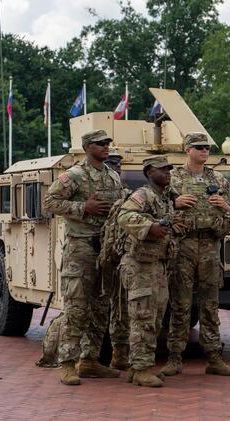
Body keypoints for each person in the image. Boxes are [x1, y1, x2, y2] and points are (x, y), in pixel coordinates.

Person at [43, 129, 124, 386]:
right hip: (80, 250)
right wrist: (82, 207)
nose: (106, 147)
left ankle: (90, 360)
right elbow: (50, 202)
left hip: (105, 250)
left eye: (107, 143)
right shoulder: (74, 176)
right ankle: (67, 363)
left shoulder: (112, 176)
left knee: (101, 307)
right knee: (77, 308)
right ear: (88, 147)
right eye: (100, 144)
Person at [160, 132, 230, 377]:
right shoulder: (172, 178)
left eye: (207, 147)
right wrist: (175, 203)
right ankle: (174, 357)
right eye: (200, 147)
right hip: (183, 246)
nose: (205, 151)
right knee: (180, 304)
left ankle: (214, 357)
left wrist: (225, 207)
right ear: (188, 150)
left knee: (210, 305)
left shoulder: (219, 179)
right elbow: (156, 209)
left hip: (210, 246)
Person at [117, 155, 176, 387]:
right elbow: (124, 216)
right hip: (139, 266)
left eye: (169, 169)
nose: (168, 173)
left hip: (157, 265)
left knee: (156, 318)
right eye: (163, 170)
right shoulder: (143, 195)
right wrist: (149, 227)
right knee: (142, 318)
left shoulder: (164, 198)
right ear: (150, 172)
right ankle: (141, 369)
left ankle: (137, 366)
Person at [101, 146, 131, 370]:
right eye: (112, 164)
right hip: (98, 254)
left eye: (118, 165)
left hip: (122, 257)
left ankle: (119, 353)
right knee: (99, 304)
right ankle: (93, 354)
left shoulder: (126, 195)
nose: (116, 168)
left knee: (120, 305)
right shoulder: (93, 188)